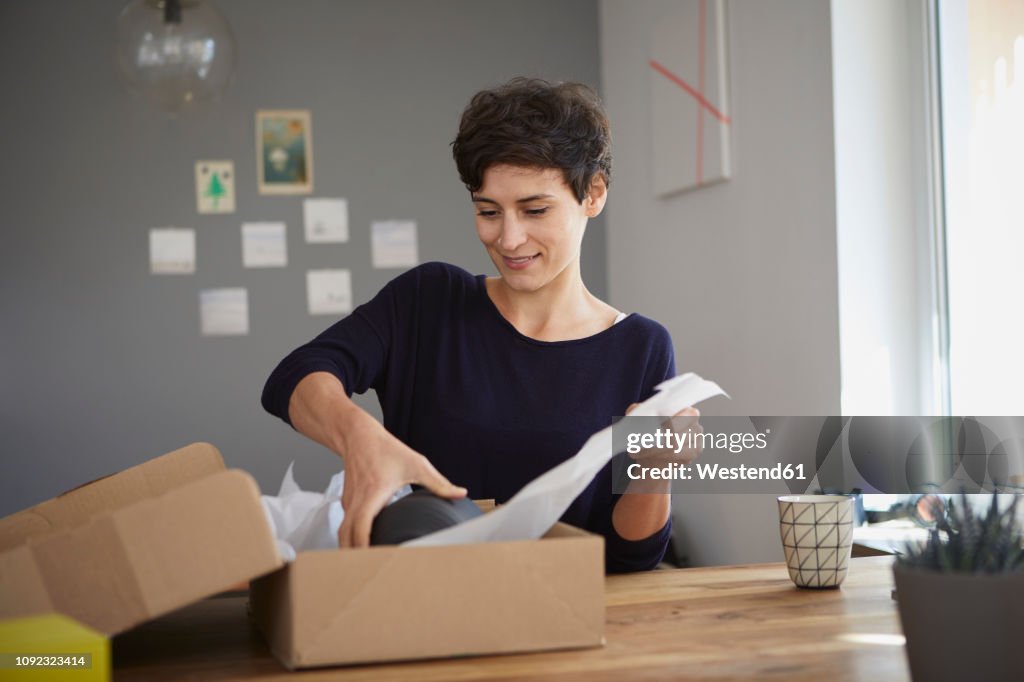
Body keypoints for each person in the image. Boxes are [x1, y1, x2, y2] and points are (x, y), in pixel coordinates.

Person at [261, 77, 700, 572]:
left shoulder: (641, 347)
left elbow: (630, 559)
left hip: (563, 619)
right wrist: (358, 436)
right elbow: (295, 376)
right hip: (422, 606)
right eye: (488, 211)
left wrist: (655, 474)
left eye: (534, 209)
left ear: (593, 193)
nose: (509, 239)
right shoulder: (430, 301)